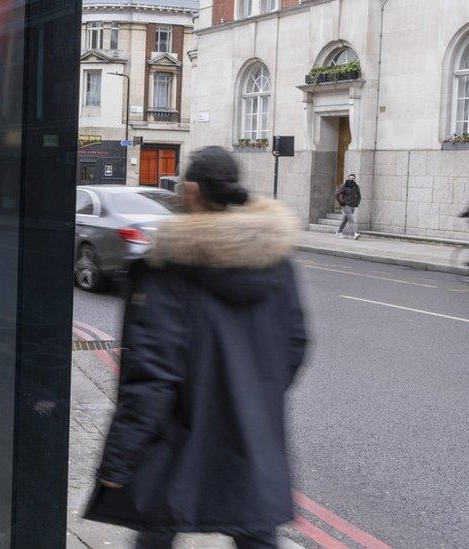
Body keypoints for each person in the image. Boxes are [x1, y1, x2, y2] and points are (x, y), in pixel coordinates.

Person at [84, 146, 309, 549]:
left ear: (189, 190)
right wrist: (253, 395)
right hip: (250, 438)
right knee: (255, 531)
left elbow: (151, 377)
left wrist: (117, 460)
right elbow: (295, 345)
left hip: (178, 441)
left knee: (157, 526)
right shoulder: (277, 262)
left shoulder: (169, 267)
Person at [335, 174, 362, 239]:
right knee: (351, 220)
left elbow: (359, 196)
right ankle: (355, 234)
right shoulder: (344, 185)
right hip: (346, 205)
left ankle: (339, 231)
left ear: (354, 179)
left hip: (353, 206)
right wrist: (342, 203)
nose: (351, 180)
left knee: (345, 220)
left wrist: (357, 203)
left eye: (353, 178)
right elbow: (337, 194)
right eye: (350, 178)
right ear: (348, 178)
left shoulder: (356, 186)